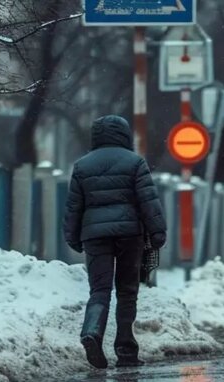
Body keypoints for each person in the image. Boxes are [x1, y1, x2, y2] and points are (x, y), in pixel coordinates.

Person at [63, 115, 167, 369]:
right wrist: (157, 232)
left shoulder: (82, 166)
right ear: (124, 135)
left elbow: (73, 207)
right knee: (127, 292)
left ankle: (92, 332)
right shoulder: (134, 162)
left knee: (99, 290)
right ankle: (126, 349)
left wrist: (73, 236)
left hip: (95, 237)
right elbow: (148, 202)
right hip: (129, 235)